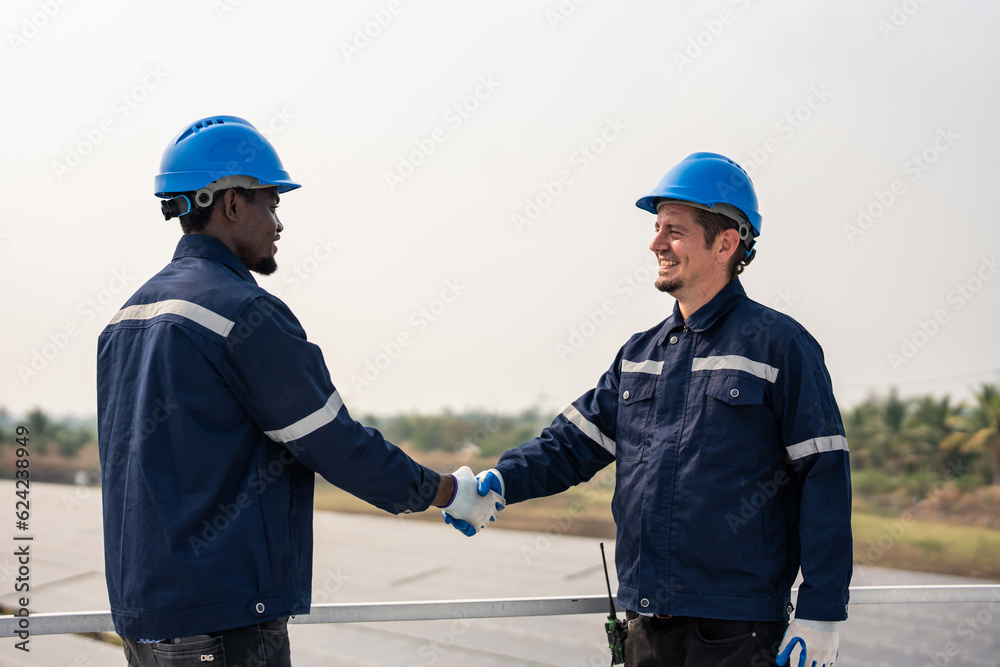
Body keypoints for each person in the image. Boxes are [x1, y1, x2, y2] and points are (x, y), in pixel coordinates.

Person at [97, 115, 502, 667]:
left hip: (143, 622)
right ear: (231, 204)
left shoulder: (125, 320)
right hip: (223, 624)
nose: (279, 223)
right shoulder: (242, 313)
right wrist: (447, 493)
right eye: (271, 203)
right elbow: (334, 442)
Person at [446, 152, 852, 666]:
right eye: (658, 228)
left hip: (737, 633)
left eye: (674, 231)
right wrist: (500, 481)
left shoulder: (780, 346)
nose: (656, 243)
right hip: (644, 625)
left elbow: (825, 478)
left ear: (726, 243)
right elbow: (571, 444)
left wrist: (821, 611)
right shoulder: (640, 354)